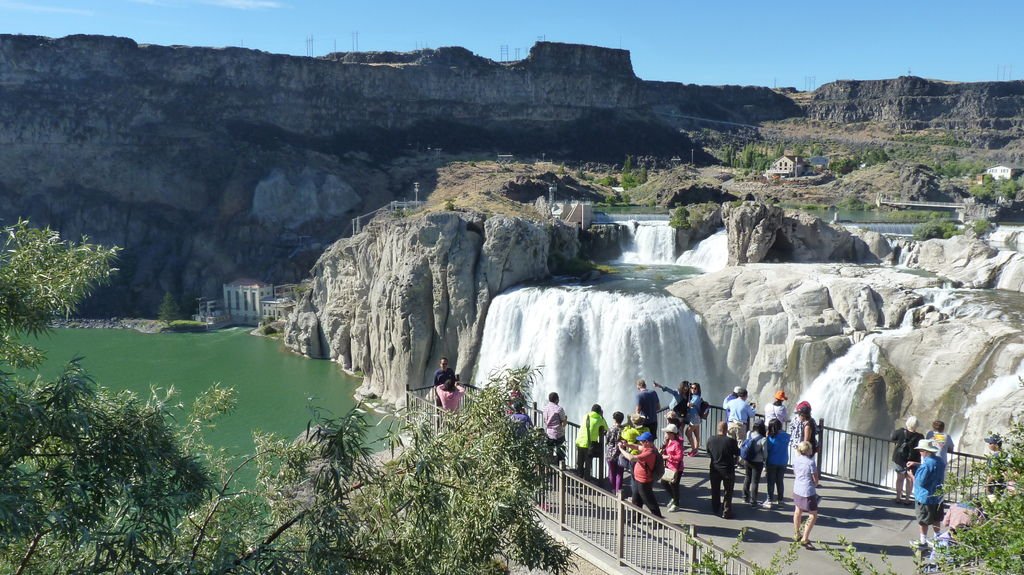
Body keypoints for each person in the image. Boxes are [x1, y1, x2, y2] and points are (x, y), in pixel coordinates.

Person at [909, 438, 946, 548]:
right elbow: (932, 467)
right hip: (938, 496)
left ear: (926, 451)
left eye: (921, 450)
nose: (919, 452)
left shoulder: (926, 465)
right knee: (936, 519)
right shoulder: (940, 461)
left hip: (925, 497)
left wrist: (911, 475)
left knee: (923, 520)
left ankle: (923, 541)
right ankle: (937, 539)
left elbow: (920, 482)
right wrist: (917, 464)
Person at [619, 431, 664, 518]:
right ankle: (636, 517)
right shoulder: (647, 447)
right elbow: (637, 447)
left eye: (642, 441)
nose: (640, 442)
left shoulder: (650, 452)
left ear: (647, 442)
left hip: (644, 481)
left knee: (649, 501)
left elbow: (631, 458)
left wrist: (621, 449)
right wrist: (627, 445)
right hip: (638, 479)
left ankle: (658, 519)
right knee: (636, 500)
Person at [706, 421, 739, 519]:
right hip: (728, 469)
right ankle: (726, 511)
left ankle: (715, 507)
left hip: (715, 468)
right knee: (728, 491)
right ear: (726, 429)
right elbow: (737, 452)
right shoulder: (731, 441)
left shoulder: (710, 439)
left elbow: (709, 452)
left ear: (718, 429)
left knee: (715, 489)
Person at [792, 441, 821, 549]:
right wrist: (815, 484)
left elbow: (795, 473)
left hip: (797, 488)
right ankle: (805, 538)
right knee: (813, 514)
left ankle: (796, 533)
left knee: (797, 511)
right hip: (807, 491)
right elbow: (815, 479)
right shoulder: (810, 462)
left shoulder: (796, 460)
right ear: (808, 450)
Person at [891, 416, 924, 505]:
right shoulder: (920, 437)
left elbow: (893, 438)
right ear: (916, 425)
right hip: (913, 460)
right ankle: (907, 499)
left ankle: (898, 497)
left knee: (900, 479)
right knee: (909, 479)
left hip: (899, 459)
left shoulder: (900, 432)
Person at [575, 404, 608, 480]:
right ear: (599, 412)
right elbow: (606, 428)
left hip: (580, 441)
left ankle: (578, 479)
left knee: (580, 463)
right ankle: (586, 482)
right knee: (588, 464)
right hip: (589, 444)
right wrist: (602, 416)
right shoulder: (600, 419)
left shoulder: (585, 416)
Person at [764, 418, 790, 508]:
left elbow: (767, 450)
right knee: (780, 481)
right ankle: (780, 500)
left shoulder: (770, 438)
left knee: (770, 481)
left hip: (772, 461)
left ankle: (769, 500)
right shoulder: (787, 436)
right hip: (783, 461)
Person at [742, 420, 767, 507]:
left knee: (747, 478)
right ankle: (753, 501)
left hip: (747, 460)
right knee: (755, 481)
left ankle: (745, 497)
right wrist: (764, 460)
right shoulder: (763, 439)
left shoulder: (749, 433)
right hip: (758, 462)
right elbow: (765, 453)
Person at [660, 423, 686, 512]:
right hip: (669, 466)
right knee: (664, 482)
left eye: (667, 432)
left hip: (676, 468)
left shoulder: (677, 444)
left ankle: (676, 504)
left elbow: (680, 457)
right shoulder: (668, 441)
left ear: (672, 433)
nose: (666, 434)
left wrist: (667, 457)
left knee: (674, 485)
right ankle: (674, 498)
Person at [542, 392, 568, 463]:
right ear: (556, 400)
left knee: (549, 452)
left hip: (549, 433)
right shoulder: (559, 409)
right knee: (561, 453)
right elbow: (563, 423)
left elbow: (545, 421)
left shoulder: (545, 408)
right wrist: (566, 419)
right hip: (558, 434)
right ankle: (560, 469)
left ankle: (549, 467)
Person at [605, 411, 626, 495]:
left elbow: (607, 440)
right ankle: (619, 492)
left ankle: (613, 490)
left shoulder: (610, 429)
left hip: (610, 453)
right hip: (621, 453)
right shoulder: (624, 430)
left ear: (614, 419)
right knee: (619, 473)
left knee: (612, 472)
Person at [685, 382, 704, 456]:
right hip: (696, 418)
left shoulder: (697, 397)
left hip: (695, 418)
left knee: (687, 433)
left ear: (698, 389)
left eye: (695, 388)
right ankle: (696, 449)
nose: (693, 389)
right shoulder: (693, 396)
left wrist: (688, 404)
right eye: (692, 388)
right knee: (696, 435)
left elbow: (691, 404)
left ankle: (693, 450)